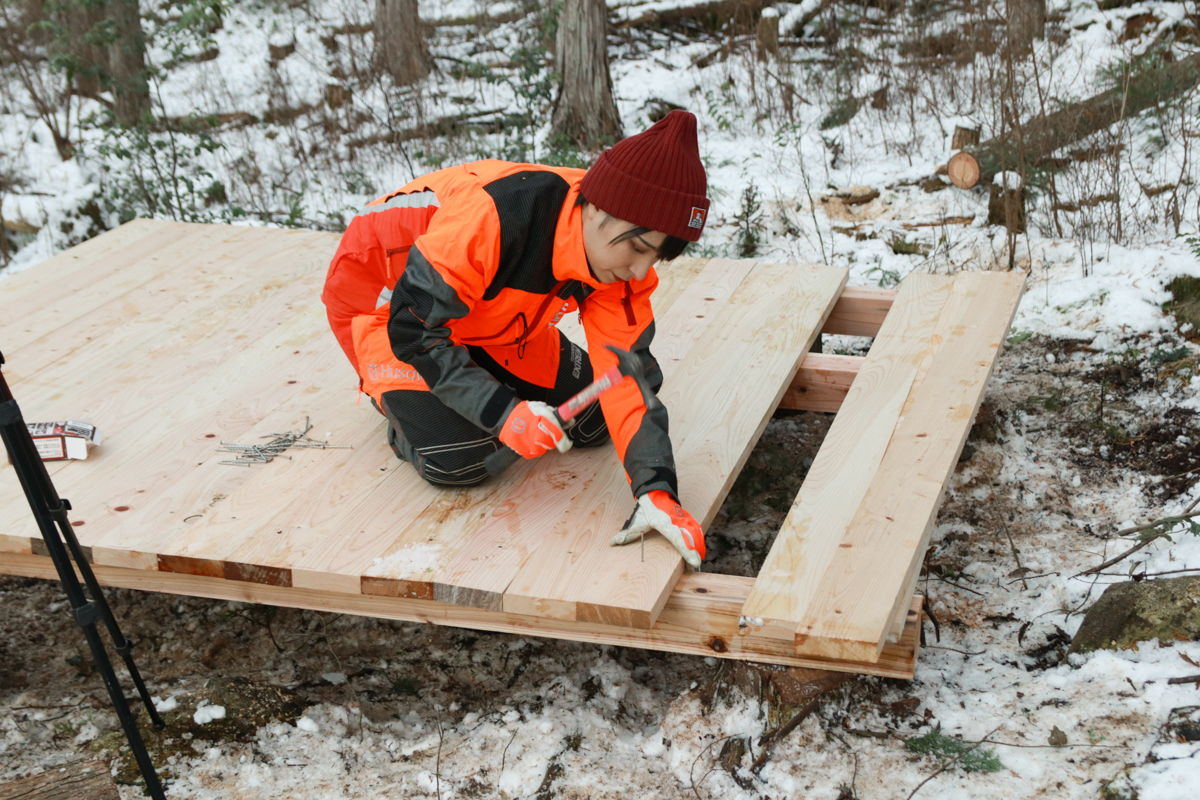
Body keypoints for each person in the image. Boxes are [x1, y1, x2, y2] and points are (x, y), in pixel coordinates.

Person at [322, 110, 709, 568]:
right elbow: (414, 330)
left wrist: (657, 491)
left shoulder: (614, 257)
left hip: (493, 321)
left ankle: (475, 379)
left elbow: (625, 373)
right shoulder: (495, 215)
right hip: (388, 309)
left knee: (594, 417)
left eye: (657, 257)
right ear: (601, 208)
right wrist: (504, 414)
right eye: (639, 248)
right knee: (462, 457)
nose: (641, 271)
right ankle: (403, 414)